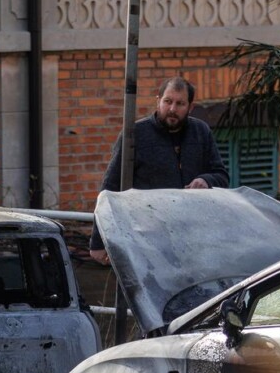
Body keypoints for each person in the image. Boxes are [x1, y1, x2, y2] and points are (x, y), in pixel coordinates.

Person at [89, 76, 228, 265]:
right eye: (168, 101)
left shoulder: (201, 131)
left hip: (194, 238)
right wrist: (98, 241)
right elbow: (110, 188)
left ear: (190, 107)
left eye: (180, 104)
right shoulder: (135, 134)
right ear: (158, 101)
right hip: (147, 240)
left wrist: (206, 180)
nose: (172, 109)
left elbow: (221, 175)